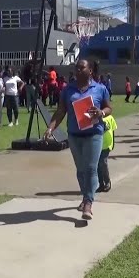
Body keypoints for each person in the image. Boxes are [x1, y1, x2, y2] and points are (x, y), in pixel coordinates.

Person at [43, 59, 112, 220]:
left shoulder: (100, 89)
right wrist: (50, 128)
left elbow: (109, 108)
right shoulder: (68, 90)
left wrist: (101, 112)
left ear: (90, 71)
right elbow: (61, 111)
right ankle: (85, 196)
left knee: (91, 168)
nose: (78, 70)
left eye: (82, 68)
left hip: (94, 134)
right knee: (81, 170)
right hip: (74, 136)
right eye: (77, 68)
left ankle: (88, 202)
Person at [96, 111, 117, 193]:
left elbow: (113, 130)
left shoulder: (110, 118)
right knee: (97, 165)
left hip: (107, 145)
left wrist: (113, 143)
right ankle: (101, 184)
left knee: (103, 163)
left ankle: (107, 182)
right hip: (97, 145)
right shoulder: (95, 119)